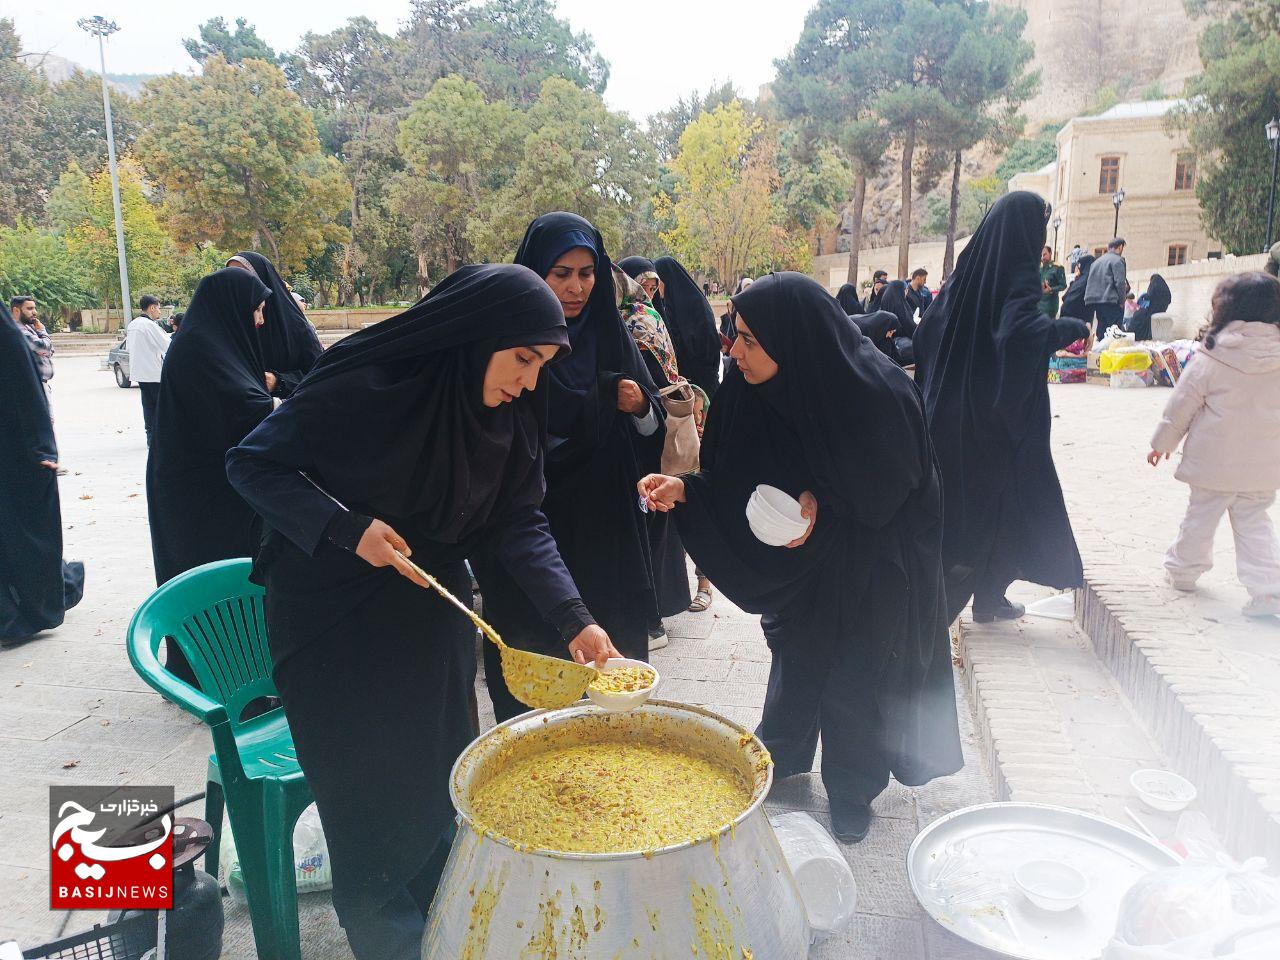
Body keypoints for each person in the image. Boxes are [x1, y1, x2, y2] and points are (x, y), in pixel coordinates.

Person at [227, 264, 619, 960]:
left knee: (440, 770)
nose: (530, 382)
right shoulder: (362, 390)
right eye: (523, 358)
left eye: (544, 364)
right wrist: (349, 528)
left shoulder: (511, 413)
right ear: (477, 337)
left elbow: (519, 522)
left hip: (430, 606)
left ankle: (445, 909)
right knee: (366, 792)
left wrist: (576, 620)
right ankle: (384, 927)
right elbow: (251, 465)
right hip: (331, 621)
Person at [637, 272, 962, 843]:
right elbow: (733, 474)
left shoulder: (876, 391)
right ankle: (784, 751)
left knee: (854, 676)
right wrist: (687, 489)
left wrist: (825, 501)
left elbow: (902, 484)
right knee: (798, 652)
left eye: (749, 340)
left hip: (871, 562)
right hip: (799, 562)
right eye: (733, 336)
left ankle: (852, 786)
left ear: (793, 340)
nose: (734, 352)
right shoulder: (747, 385)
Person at [474, 212, 664, 722]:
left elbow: (653, 420)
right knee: (535, 677)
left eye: (587, 273)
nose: (576, 288)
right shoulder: (506, 342)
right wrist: (596, 399)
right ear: (536, 272)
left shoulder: (609, 332)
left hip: (605, 528)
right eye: (561, 274)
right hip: (530, 524)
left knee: (610, 664)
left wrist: (637, 407)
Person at [914, 191, 1089, 624]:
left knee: (964, 510)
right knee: (1004, 506)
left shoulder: (967, 274)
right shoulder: (1018, 273)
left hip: (945, 418)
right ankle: (971, 601)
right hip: (988, 426)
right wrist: (1068, 326)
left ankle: (974, 599)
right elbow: (1019, 335)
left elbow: (928, 333)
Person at [147, 268, 273, 685]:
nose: (260, 320)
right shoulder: (199, 350)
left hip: (216, 487)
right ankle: (214, 677)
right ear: (231, 308)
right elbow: (243, 408)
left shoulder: (214, 344)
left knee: (234, 577)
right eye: (256, 309)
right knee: (210, 579)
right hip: (196, 495)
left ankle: (243, 673)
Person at [1149, 272, 1280, 616]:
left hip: (1213, 465)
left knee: (1200, 517)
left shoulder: (1211, 354)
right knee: (1255, 522)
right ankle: (1268, 589)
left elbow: (1182, 405)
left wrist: (1162, 443)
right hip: (1264, 466)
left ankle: (1183, 571)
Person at [615, 259, 695, 626]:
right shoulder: (651, 315)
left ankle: (653, 613)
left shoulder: (631, 324)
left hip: (646, 430)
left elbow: (643, 381)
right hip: (666, 423)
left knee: (649, 516)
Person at [0, 310, 84, 648]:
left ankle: (31, 608)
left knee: (22, 536)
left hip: (12, 452)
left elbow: (23, 383)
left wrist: (42, 447)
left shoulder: (5, 334)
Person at [226, 251, 324, 399]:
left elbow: (319, 375)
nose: (237, 281)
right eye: (230, 275)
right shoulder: (225, 326)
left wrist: (278, 381)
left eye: (244, 275)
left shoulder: (295, 327)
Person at [126, 295, 171, 445]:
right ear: (151, 307)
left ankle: (151, 438)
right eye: (158, 307)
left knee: (148, 407)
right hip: (154, 373)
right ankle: (161, 439)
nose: (159, 311)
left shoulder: (132, 325)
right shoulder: (149, 325)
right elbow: (166, 345)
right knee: (161, 408)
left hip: (140, 373)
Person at [11, 295, 54, 402]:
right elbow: (44, 347)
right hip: (30, 388)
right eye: (29, 309)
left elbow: (50, 350)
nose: (34, 312)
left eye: (34, 308)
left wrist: (45, 347)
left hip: (39, 385)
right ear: (16, 311)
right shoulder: (19, 331)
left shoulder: (30, 328)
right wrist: (42, 331)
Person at [1086, 237, 1129, 339]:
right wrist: (1122, 301)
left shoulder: (1096, 262)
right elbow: (1120, 283)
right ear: (1120, 247)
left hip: (1097, 301)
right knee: (1114, 331)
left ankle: (1101, 352)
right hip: (1111, 300)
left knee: (1102, 328)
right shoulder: (1118, 260)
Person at [875, 279, 919, 367]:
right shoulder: (900, 305)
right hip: (900, 344)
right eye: (905, 290)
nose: (907, 292)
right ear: (901, 291)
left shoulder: (886, 300)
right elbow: (908, 326)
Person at [1126, 275, 1172, 342]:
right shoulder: (1166, 292)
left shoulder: (1154, 288)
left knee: (1137, 316)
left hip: (1150, 312)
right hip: (1161, 311)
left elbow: (1149, 296)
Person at [1060, 254, 1096, 325]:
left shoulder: (1079, 279)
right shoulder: (1091, 280)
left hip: (1067, 314)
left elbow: (1064, 297)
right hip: (1080, 318)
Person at [1039, 246, 1067, 318]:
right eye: (1041, 255)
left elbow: (1063, 285)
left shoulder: (1057, 268)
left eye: (1044, 255)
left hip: (1050, 305)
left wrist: (1051, 289)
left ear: (1050, 253)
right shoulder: (1040, 268)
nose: (1042, 257)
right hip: (1038, 304)